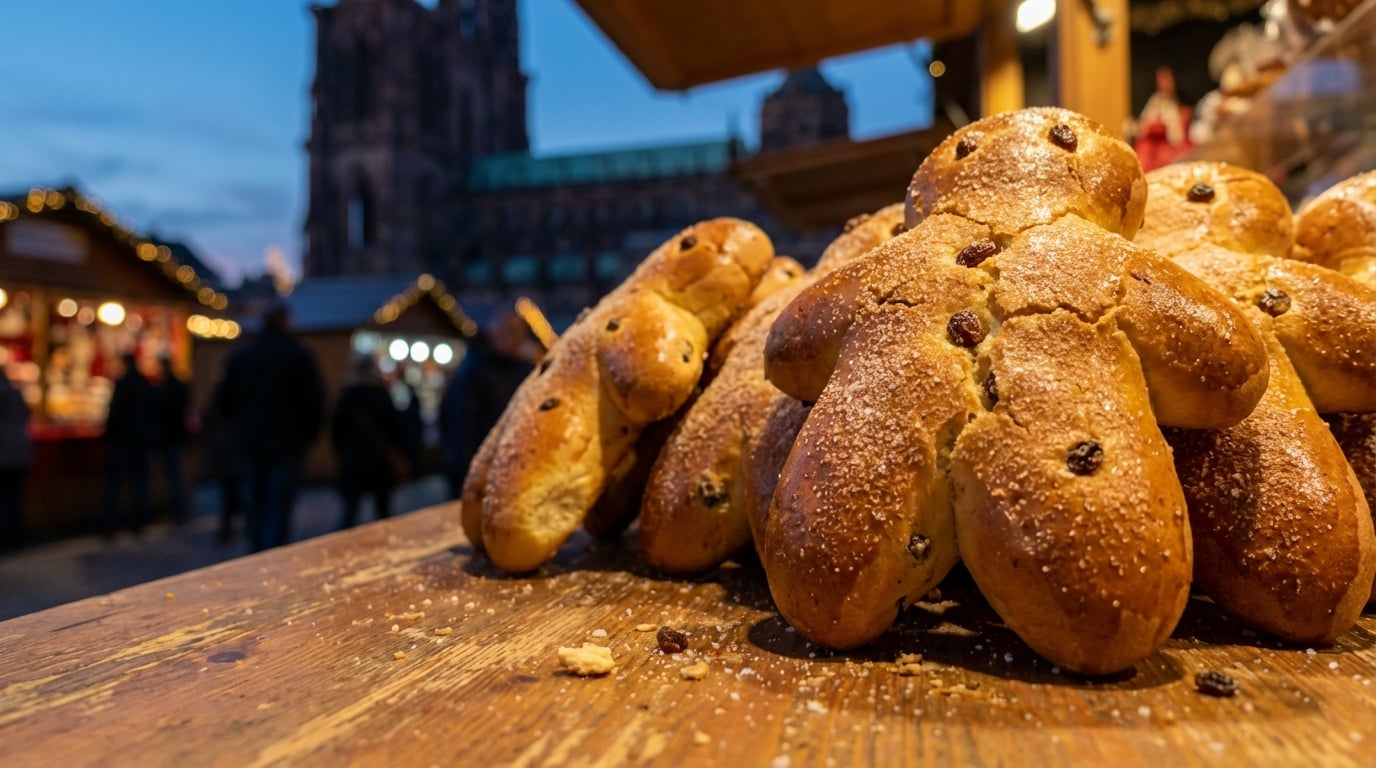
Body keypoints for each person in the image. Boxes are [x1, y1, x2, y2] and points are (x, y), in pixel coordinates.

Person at [216, 303, 325, 552]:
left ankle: (257, 549)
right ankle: (275, 551)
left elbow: (224, 402)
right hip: (288, 442)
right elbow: (314, 401)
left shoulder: (242, 357)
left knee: (256, 499)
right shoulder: (299, 356)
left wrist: (237, 431)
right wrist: (308, 435)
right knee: (280, 502)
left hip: (252, 441)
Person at [438, 311, 535, 499]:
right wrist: (467, 474)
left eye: (519, 332)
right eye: (509, 332)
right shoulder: (474, 372)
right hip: (481, 469)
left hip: (514, 469)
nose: (516, 338)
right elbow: (461, 424)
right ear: (494, 335)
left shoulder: (523, 370)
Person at [330, 355, 408, 529]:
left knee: (350, 512)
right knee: (383, 512)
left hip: (353, 459)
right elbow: (395, 428)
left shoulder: (347, 395)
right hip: (378, 461)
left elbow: (336, 430)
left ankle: (342, 548)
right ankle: (386, 545)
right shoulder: (380, 394)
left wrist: (342, 454)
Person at [103, 352, 156, 538]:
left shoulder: (123, 383)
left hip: (122, 441)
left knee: (115, 486)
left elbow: (115, 412)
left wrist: (109, 434)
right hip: (140, 441)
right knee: (139, 484)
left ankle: (111, 526)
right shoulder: (145, 383)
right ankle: (139, 523)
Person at [152, 355, 191, 524]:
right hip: (176, 436)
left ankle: (176, 511)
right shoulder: (179, 386)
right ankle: (178, 511)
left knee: (173, 475)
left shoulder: (166, 388)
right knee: (175, 475)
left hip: (169, 437)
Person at [0, 363, 33, 552]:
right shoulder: (15, 392)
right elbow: (27, 415)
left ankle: (5, 540)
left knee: (4, 499)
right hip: (19, 451)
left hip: (3, 453)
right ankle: (15, 538)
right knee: (14, 498)